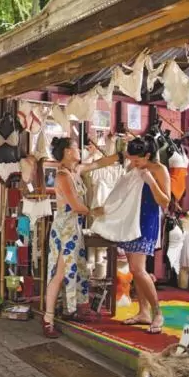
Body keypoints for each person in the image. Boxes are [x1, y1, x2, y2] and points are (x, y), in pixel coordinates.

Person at [42, 137, 119, 338]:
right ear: (68, 152)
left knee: (75, 270)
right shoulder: (63, 176)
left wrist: (121, 154)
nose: (80, 150)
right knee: (59, 273)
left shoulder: (74, 171)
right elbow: (76, 206)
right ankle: (47, 319)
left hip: (73, 228)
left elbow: (98, 163)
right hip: (64, 229)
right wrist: (96, 212)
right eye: (76, 147)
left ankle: (70, 309)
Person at [119, 135, 172, 334]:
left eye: (137, 160)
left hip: (147, 221)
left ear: (148, 155)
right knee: (135, 271)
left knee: (137, 269)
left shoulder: (160, 170)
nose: (134, 163)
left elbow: (165, 202)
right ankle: (143, 312)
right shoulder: (133, 166)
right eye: (131, 159)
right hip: (130, 220)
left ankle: (157, 312)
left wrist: (150, 181)